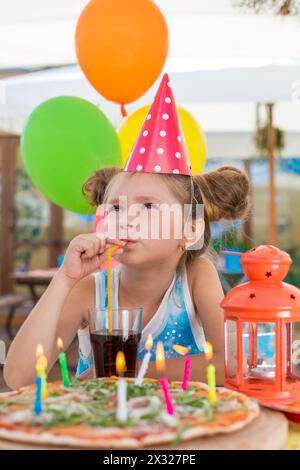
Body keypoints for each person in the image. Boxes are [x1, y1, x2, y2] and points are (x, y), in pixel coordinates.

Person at [4, 75, 250, 389]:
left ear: (189, 231)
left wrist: (129, 368)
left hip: (180, 429)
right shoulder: (90, 291)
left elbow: (228, 361)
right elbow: (18, 377)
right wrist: (64, 279)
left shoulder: (195, 276)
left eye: (148, 207)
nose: (127, 219)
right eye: (116, 208)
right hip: (102, 432)